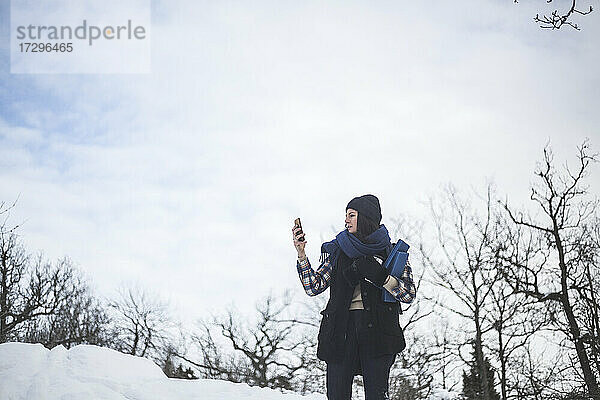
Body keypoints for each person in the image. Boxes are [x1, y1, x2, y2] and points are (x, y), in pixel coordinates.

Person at [292, 194, 416, 400]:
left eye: (352, 215)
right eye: (346, 215)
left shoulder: (392, 252)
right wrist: (301, 253)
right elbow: (313, 286)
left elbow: (408, 293)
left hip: (379, 332)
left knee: (377, 396)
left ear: (366, 217)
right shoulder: (337, 250)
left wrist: (381, 277)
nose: (346, 220)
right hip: (341, 331)